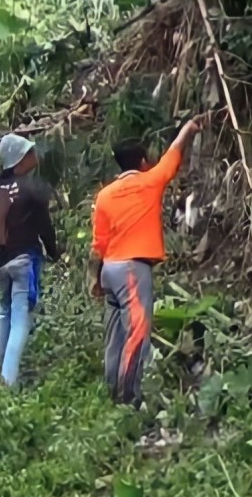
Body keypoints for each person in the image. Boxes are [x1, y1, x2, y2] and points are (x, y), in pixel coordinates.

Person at [88, 115, 206, 408]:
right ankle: (129, 397)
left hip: (110, 270)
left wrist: (94, 279)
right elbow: (172, 156)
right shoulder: (148, 182)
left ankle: (112, 389)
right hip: (132, 269)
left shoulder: (104, 196)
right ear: (142, 162)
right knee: (138, 331)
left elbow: (98, 243)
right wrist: (188, 129)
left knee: (115, 332)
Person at [0, 133, 62, 387]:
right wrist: (54, 252)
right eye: (30, 153)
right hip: (25, 260)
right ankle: (8, 380)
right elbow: (44, 226)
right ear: (20, 159)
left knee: (3, 312)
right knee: (20, 318)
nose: (34, 156)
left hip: (0, 262)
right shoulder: (31, 188)